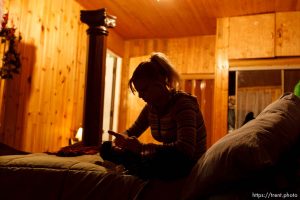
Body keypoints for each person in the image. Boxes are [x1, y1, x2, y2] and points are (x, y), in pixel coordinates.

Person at [100, 52, 207, 180]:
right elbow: (133, 130)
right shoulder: (151, 108)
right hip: (166, 160)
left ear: (160, 83)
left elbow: (185, 150)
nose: (140, 96)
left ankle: (134, 167)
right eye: (139, 92)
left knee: (146, 163)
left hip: (187, 164)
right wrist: (119, 141)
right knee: (106, 148)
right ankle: (134, 166)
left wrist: (141, 148)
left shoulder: (183, 104)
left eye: (144, 90)